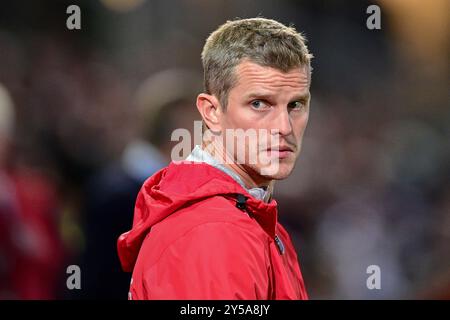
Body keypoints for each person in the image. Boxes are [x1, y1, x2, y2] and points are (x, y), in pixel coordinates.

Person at [117, 17, 313, 300]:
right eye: (259, 104)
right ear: (211, 112)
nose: (284, 126)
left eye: (296, 105)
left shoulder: (248, 216)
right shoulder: (212, 232)